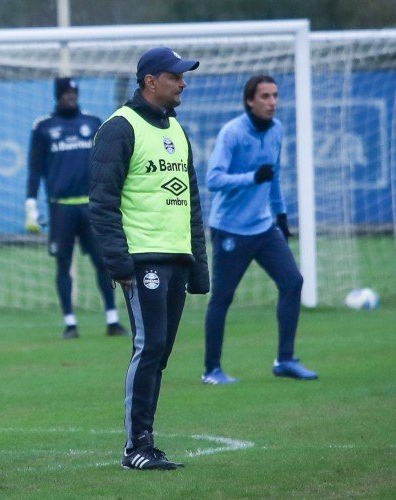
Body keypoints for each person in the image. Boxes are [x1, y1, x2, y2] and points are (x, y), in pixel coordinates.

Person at [89, 47, 209, 470]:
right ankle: (136, 447)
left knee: (161, 352)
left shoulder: (177, 129)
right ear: (150, 81)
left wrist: (199, 266)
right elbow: (101, 203)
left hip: (176, 259)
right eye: (175, 76)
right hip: (143, 261)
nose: (183, 83)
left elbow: (191, 202)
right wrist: (118, 264)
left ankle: (146, 441)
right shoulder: (119, 128)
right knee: (149, 346)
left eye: (183, 76)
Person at [202, 75, 318, 385]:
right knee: (222, 298)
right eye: (265, 96)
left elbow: (274, 176)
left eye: (275, 96)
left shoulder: (277, 130)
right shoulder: (232, 133)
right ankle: (212, 369)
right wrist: (252, 177)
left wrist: (280, 215)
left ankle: (285, 360)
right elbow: (213, 180)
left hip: (264, 227)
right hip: (230, 229)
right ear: (250, 101)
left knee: (293, 282)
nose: (272, 102)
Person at [25, 77, 128, 340]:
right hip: (61, 209)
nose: (71, 96)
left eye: (74, 92)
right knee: (63, 264)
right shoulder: (44, 127)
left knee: (103, 263)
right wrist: (31, 204)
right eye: (66, 92)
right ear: (57, 95)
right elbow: (35, 169)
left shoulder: (93, 123)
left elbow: (108, 163)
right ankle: (70, 322)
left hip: (92, 206)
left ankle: (112, 319)